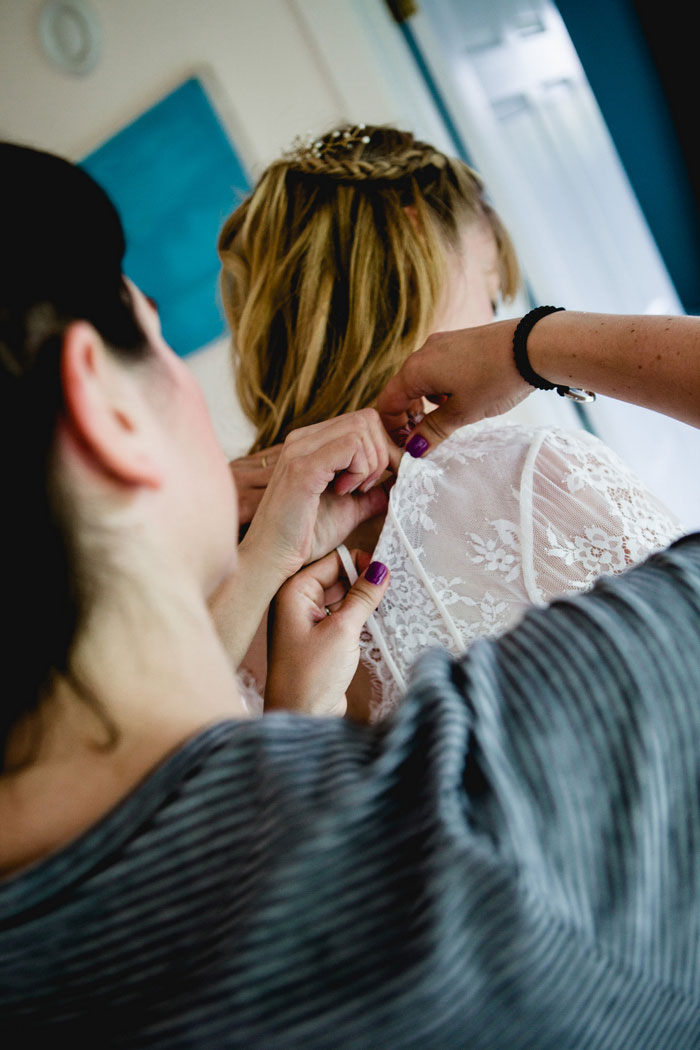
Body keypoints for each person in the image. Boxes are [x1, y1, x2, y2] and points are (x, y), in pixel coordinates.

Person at [3, 141, 700, 1049]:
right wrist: (534, 343)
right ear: (107, 407)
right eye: (160, 336)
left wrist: (283, 675)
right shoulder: (478, 822)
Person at [218, 124, 685, 718]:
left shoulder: (226, 595)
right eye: (493, 297)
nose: (493, 319)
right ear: (418, 231)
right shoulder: (528, 478)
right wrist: (535, 346)